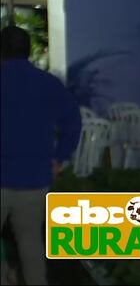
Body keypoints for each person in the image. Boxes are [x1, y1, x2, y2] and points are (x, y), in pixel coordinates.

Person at [1, 26, 81, 285]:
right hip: (35, 177)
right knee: (31, 244)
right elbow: (73, 123)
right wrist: (60, 157)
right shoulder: (49, 83)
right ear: (28, 51)